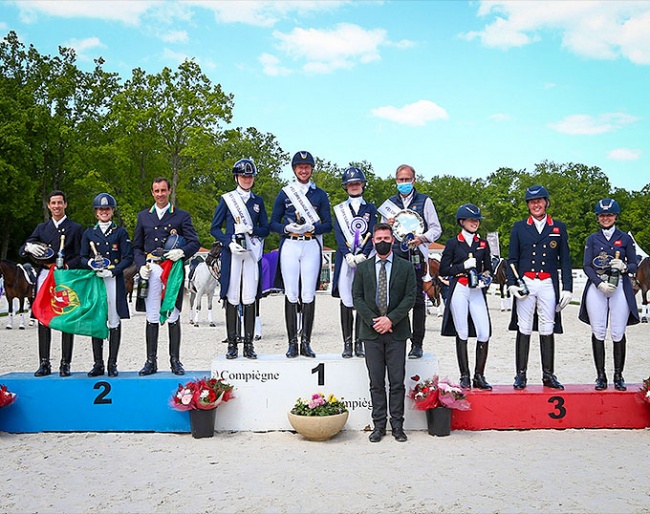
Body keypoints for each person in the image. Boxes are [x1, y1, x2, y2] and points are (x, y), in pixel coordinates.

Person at [353, 223, 416, 443]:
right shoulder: (362, 268)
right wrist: (375, 322)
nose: (382, 242)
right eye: (378, 238)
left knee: (397, 382)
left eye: (386, 238)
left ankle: (397, 426)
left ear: (393, 240)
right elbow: (357, 298)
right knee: (376, 382)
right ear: (373, 241)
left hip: (397, 332)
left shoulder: (405, 267)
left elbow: (410, 297)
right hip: (371, 333)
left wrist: (391, 319)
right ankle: (379, 426)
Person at [507, 185, 572, 390]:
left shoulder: (558, 227)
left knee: (547, 326)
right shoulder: (519, 227)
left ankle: (548, 374)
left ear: (546, 202)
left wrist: (567, 287)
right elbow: (512, 259)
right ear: (528, 205)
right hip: (526, 281)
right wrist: (511, 283)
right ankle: (521, 374)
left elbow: (566, 260)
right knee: (523, 326)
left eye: (539, 201)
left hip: (547, 283)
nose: (536, 205)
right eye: (532, 202)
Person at [132, 177, 200, 376]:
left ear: (169, 191)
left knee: (173, 314)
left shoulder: (181, 216)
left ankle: (175, 361)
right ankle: (150, 361)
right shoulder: (143, 216)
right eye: (156, 191)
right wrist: (139, 265)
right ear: (152, 193)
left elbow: (194, 242)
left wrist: (183, 252)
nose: (160, 194)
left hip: (172, 269)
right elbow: (136, 246)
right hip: (151, 269)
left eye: (163, 190)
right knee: (152, 315)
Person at [270, 151, 332, 358]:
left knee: (308, 294)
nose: (303, 170)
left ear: (311, 169)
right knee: (291, 293)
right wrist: (287, 229)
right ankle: (292, 342)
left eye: (307, 167)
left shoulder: (320, 194)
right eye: (299, 167)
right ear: (294, 169)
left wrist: (313, 229)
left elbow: (328, 224)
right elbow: (273, 222)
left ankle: (306, 342)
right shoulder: (285, 193)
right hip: (290, 243)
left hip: (310, 244)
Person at [379, 164, 442, 359]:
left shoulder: (425, 201)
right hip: (395, 257)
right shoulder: (389, 204)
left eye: (407, 180)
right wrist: (386, 225)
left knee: (417, 302)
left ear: (414, 180)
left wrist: (422, 238)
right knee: (396, 300)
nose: (404, 183)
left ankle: (417, 344)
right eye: (400, 180)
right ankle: (397, 342)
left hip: (416, 256)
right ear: (396, 181)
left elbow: (436, 228)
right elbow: (381, 234)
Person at [20, 190, 83, 377]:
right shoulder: (41, 228)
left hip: (65, 276)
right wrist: (29, 247)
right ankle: (44, 362)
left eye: (60, 203)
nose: (56, 206)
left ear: (65, 204)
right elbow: (24, 248)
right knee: (43, 317)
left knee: (66, 318)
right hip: (46, 274)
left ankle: (65, 363)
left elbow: (81, 255)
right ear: (49, 205)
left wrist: (68, 265)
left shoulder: (75, 228)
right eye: (53, 203)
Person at [210, 158, 269, 360]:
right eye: (244, 176)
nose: (247, 179)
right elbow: (214, 228)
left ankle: (249, 344)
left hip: (251, 252)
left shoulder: (257, 202)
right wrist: (228, 242)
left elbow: (266, 229)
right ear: (237, 177)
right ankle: (232, 344)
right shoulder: (227, 200)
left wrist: (252, 229)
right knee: (233, 297)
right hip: (233, 252)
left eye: (250, 176)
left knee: (249, 297)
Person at [579, 198, 639, 390]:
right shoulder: (592, 239)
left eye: (609, 215)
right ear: (598, 217)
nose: (606, 218)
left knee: (617, 331)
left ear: (615, 216)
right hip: (598, 286)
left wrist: (624, 267)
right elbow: (587, 265)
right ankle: (601, 376)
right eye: (603, 215)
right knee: (598, 331)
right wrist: (598, 283)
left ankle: (619, 375)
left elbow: (634, 264)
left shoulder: (625, 238)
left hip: (619, 285)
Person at [439, 204, 493, 390]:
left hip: (476, 290)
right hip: (460, 288)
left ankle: (479, 375)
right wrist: (462, 266)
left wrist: (485, 280)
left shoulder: (483, 244)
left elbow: (488, 268)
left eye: (477, 220)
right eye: (471, 220)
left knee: (484, 331)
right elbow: (444, 269)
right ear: (462, 222)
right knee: (461, 331)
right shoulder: (453, 243)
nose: (475, 223)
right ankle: (465, 375)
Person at [79, 193, 133, 377]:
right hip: (96, 280)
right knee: (97, 320)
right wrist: (90, 264)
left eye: (107, 209)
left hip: (113, 279)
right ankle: (98, 363)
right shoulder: (89, 233)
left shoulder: (120, 232)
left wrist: (114, 271)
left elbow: (128, 257)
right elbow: (82, 256)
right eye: (101, 209)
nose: (104, 212)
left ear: (112, 211)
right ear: (96, 212)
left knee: (113, 320)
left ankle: (112, 363)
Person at [331, 167, 377, 358]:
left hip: (364, 258)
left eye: (357, 183)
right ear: (346, 187)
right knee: (346, 300)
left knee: (362, 300)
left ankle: (360, 342)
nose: (354, 186)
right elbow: (339, 235)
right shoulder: (340, 209)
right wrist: (347, 254)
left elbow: (373, 232)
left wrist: (364, 254)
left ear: (363, 185)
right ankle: (347, 343)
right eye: (351, 184)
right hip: (346, 259)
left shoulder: (371, 208)